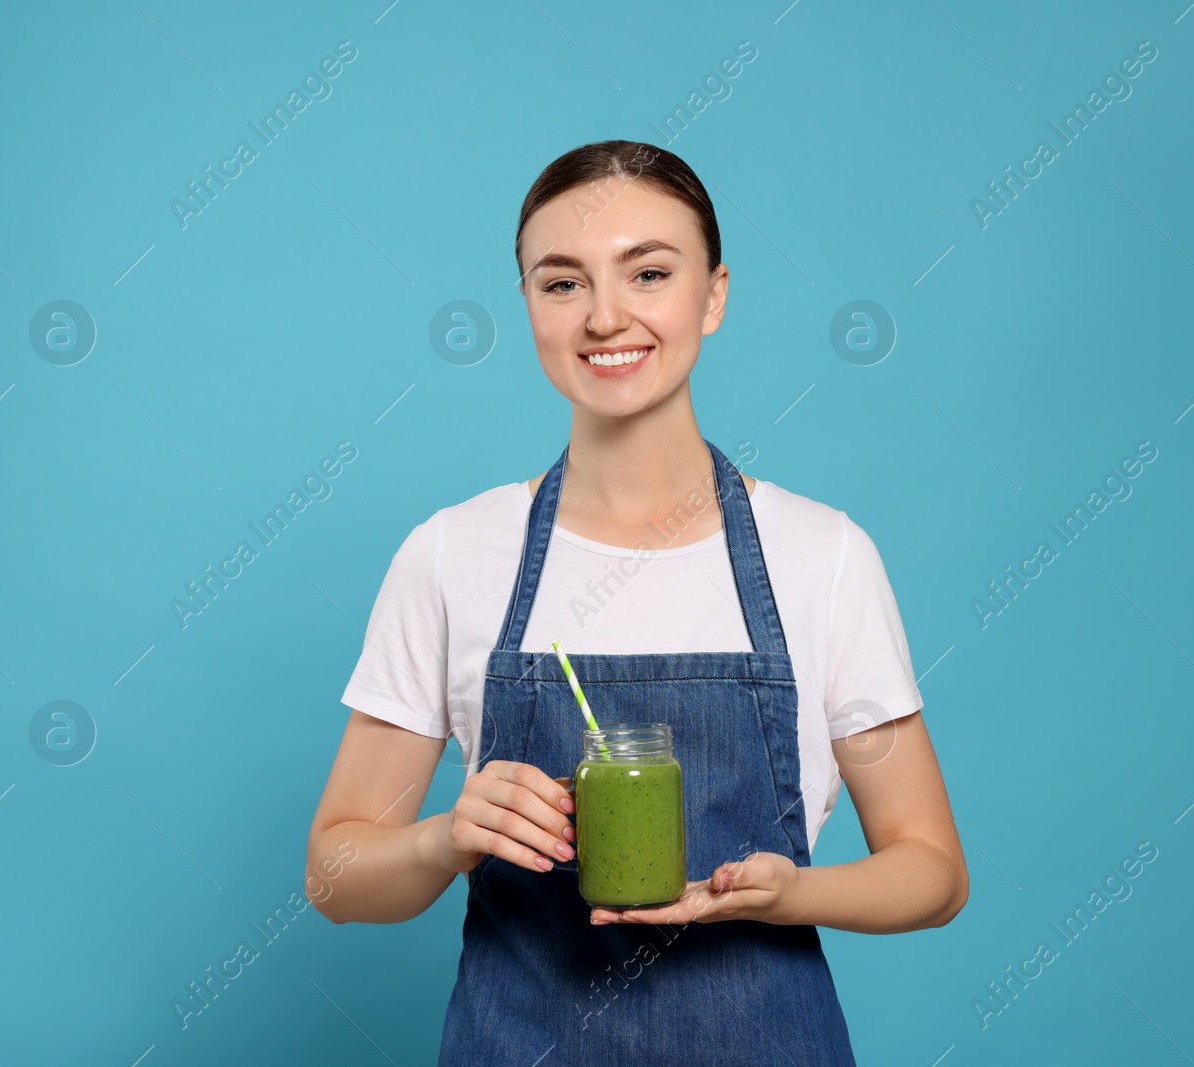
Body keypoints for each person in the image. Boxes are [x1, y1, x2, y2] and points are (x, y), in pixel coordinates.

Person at [304, 139, 968, 1064]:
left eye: (649, 271)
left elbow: (932, 871)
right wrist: (446, 839)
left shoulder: (822, 557)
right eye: (562, 282)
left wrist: (789, 894)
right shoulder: (452, 555)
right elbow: (334, 874)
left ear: (715, 293)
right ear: (529, 305)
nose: (605, 316)